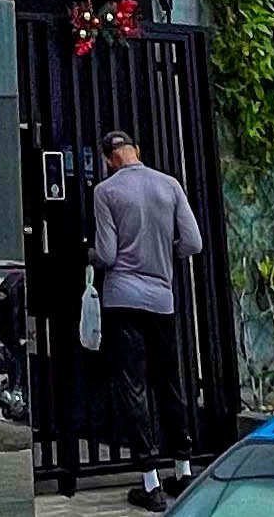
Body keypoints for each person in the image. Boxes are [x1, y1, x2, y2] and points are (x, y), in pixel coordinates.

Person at [88, 132, 204, 511]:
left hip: (122, 299)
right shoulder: (169, 185)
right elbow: (193, 243)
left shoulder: (106, 192)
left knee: (132, 386)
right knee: (169, 383)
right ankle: (183, 470)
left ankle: (150, 483)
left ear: (109, 160)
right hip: (161, 300)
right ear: (136, 151)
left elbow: (107, 254)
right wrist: (164, 252)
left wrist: (90, 254)